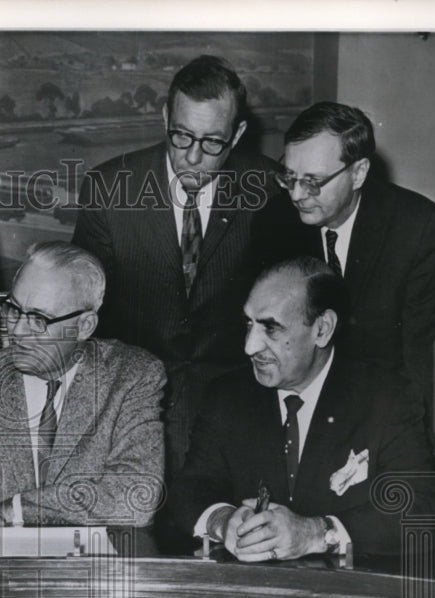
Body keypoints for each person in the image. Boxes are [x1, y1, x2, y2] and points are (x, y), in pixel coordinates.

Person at [71, 55, 282, 478]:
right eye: (181, 136)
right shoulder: (110, 189)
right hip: (132, 409)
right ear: (166, 116)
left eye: (212, 142)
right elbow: (85, 320)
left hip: (237, 405)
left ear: (238, 133)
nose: (192, 157)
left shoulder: (270, 191)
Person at [167, 257, 435, 572]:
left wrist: (316, 533)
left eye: (270, 328)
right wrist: (222, 520)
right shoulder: (227, 396)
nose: (249, 347)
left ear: (322, 330)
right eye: (248, 324)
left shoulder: (386, 398)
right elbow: (190, 488)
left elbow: (423, 510)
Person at [260, 101, 435, 470]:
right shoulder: (274, 222)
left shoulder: (418, 230)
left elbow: (431, 366)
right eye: (288, 176)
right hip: (302, 416)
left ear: (359, 172)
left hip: (391, 423)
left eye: (313, 182)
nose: (296, 195)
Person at [0, 242, 165, 528]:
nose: (16, 330)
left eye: (39, 319)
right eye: (12, 309)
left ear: (84, 326)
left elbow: (136, 498)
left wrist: (14, 511)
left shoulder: (131, 377)